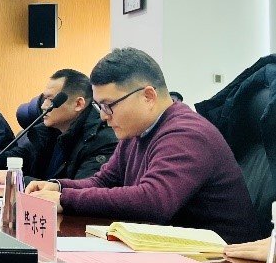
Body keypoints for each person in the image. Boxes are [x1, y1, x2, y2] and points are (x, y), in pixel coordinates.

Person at [26, 48, 259, 244]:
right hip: (172, 253)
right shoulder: (135, 132)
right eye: (99, 106)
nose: (103, 116)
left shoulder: (186, 133)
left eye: (108, 105)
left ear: (148, 96)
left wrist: (65, 199)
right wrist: (57, 187)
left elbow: (154, 201)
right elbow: (104, 181)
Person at [0, 69, 118, 183]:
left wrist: (20, 181)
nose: (43, 106)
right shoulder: (49, 132)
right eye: (44, 98)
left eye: (51, 99)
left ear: (78, 104)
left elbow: (81, 190)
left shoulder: (102, 140)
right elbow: (16, 158)